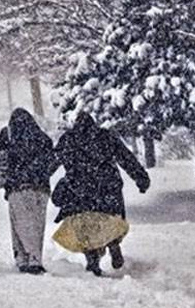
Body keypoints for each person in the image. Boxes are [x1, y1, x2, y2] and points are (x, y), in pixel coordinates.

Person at [51, 112, 150, 276]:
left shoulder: (68, 139)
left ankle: (92, 261)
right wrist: (141, 178)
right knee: (109, 221)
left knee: (86, 227)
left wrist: (37, 176)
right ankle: (113, 243)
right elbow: (126, 158)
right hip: (108, 189)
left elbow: (52, 162)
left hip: (80, 192)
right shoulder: (106, 137)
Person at [0, 108, 55, 275]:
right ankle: (35, 257)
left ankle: (23, 258)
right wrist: (37, 173)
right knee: (37, 225)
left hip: (18, 187)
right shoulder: (41, 137)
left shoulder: (8, 134)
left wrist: (6, 160)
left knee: (20, 224)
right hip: (41, 189)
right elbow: (51, 160)